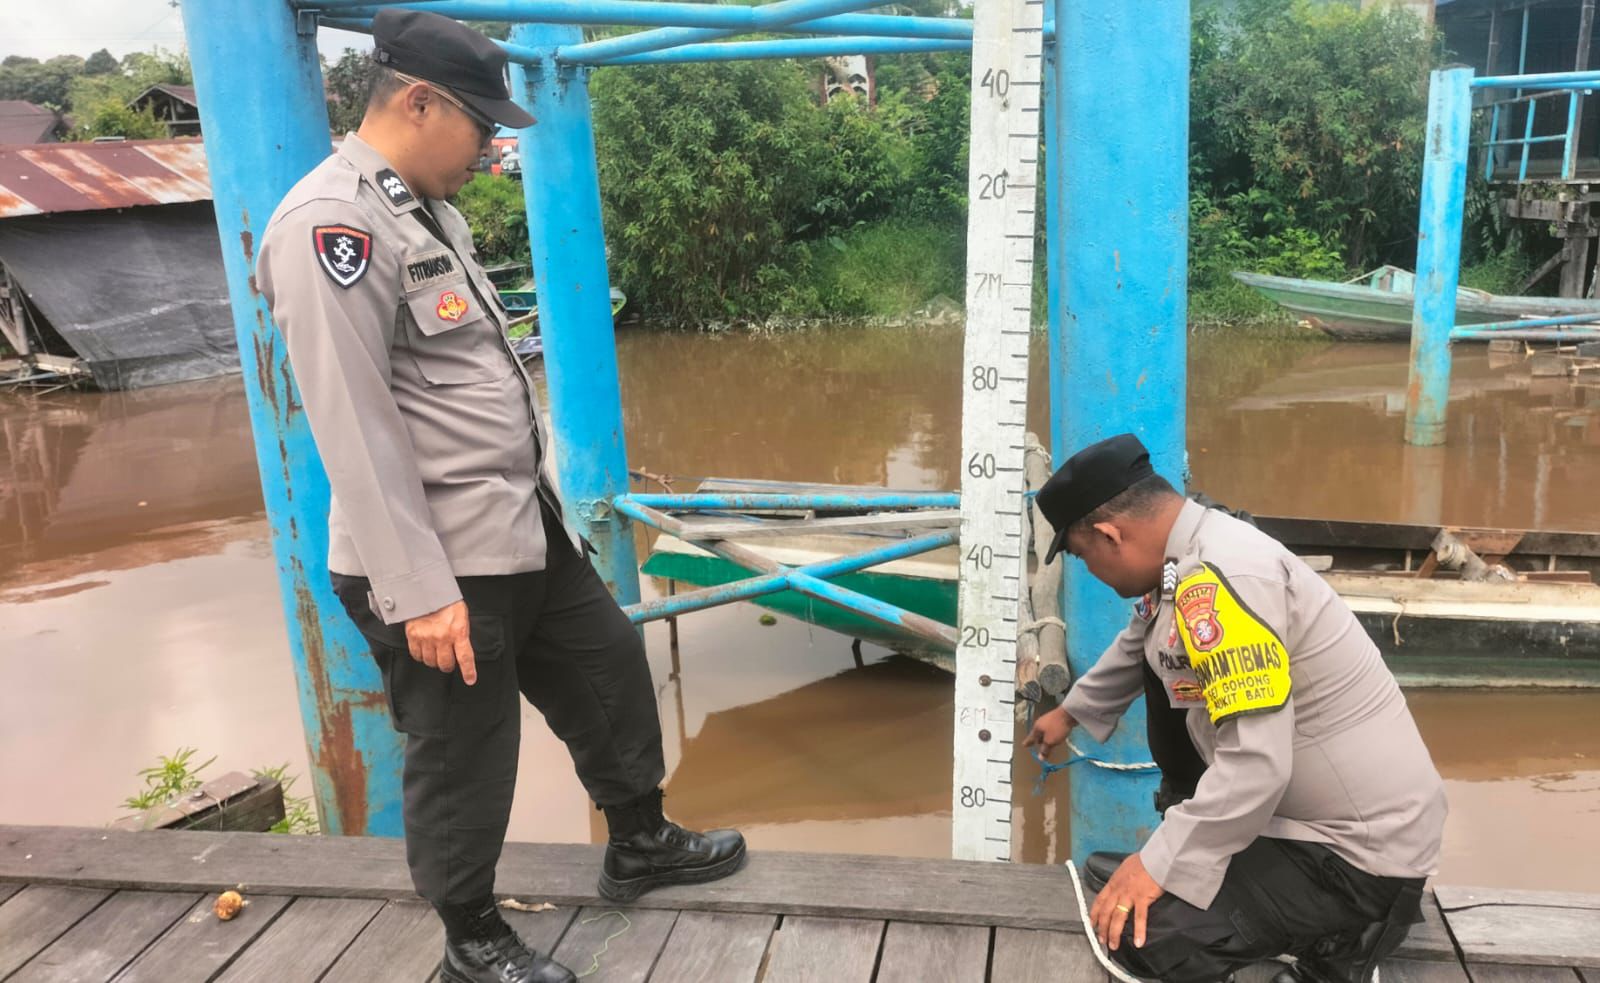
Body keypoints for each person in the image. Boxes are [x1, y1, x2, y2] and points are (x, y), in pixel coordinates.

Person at [255, 11, 745, 983]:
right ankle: (471, 938)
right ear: (418, 101)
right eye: (480, 124)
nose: (492, 145)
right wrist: (417, 585)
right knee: (463, 747)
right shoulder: (331, 225)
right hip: (437, 560)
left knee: (606, 665)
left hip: (517, 526)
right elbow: (349, 421)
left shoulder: (426, 208)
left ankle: (638, 839)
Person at [1023, 434, 1447, 983]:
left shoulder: (1220, 582)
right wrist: (1071, 713)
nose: (1091, 573)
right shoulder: (1188, 551)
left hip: (1355, 856)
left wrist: (1155, 867)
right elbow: (1140, 639)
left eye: (1083, 558)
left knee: (1140, 938)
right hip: (1295, 819)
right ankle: (1232, 886)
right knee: (1131, 888)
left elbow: (1256, 765)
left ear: (1110, 534)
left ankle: (1347, 936)